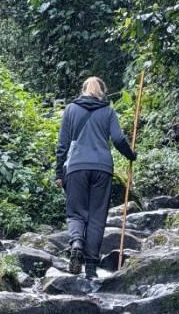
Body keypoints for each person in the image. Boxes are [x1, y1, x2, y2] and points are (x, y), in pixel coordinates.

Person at [55, 76, 137, 278]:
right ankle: (91, 266)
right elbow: (118, 139)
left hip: (76, 167)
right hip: (102, 168)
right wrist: (130, 155)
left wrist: (59, 172)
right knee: (97, 216)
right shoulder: (107, 110)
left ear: (83, 90)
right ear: (102, 92)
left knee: (76, 213)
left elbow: (62, 145)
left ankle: (76, 243)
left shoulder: (71, 109)